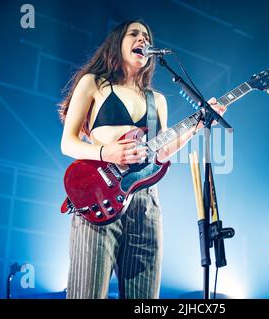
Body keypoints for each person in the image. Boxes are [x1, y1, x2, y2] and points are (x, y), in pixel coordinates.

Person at [59, 20, 226, 299]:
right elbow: (68, 143)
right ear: (117, 43)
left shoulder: (157, 99)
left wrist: (196, 126)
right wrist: (106, 152)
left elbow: (159, 153)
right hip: (99, 195)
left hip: (146, 204)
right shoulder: (94, 84)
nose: (142, 39)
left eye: (146, 36)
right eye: (134, 34)